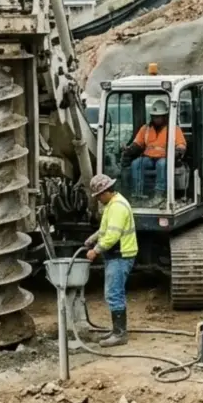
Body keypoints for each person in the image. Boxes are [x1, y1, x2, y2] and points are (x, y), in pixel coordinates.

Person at [85, 173, 138, 347]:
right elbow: (105, 229)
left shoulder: (116, 207)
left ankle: (120, 334)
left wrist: (96, 250)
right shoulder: (113, 203)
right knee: (114, 292)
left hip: (120, 255)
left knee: (114, 294)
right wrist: (93, 238)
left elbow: (112, 235)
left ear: (106, 191)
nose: (98, 199)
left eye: (99, 195)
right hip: (117, 255)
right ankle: (117, 330)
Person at [122, 98, 186, 198]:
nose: (156, 119)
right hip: (148, 158)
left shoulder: (174, 129)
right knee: (136, 164)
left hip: (164, 158)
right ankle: (137, 193)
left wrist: (177, 152)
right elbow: (137, 143)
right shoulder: (146, 128)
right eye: (154, 116)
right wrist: (129, 150)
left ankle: (159, 194)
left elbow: (181, 145)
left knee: (161, 164)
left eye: (159, 116)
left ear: (165, 116)